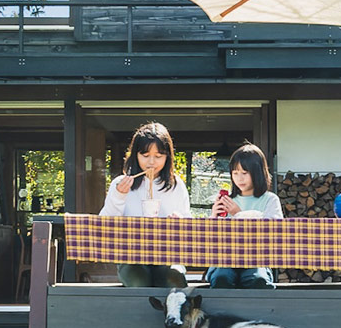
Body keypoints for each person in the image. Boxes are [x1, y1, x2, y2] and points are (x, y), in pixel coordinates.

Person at [100, 121, 189, 289]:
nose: (152, 162)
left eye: (158, 156)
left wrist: (180, 220)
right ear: (135, 155)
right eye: (145, 155)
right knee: (139, 283)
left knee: (174, 278)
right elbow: (105, 223)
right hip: (130, 256)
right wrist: (119, 196)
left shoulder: (176, 185)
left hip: (167, 255)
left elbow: (188, 225)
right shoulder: (121, 183)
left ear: (168, 157)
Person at [204, 142, 282, 289]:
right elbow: (210, 239)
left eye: (244, 173)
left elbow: (275, 233)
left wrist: (238, 214)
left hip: (256, 260)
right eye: (235, 173)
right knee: (222, 278)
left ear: (258, 172)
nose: (239, 178)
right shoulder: (227, 200)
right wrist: (214, 217)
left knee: (258, 280)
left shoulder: (270, 199)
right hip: (224, 259)